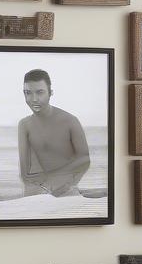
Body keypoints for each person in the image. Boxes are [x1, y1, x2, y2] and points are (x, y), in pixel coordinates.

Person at [17, 68, 91, 197]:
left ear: (50, 93)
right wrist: (37, 186)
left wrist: (58, 180)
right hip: (36, 191)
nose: (34, 99)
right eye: (28, 93)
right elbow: (24, 172)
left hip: (65, 188)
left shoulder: (70, 121)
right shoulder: (24, 125)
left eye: (40, 92)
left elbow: (85, 159)